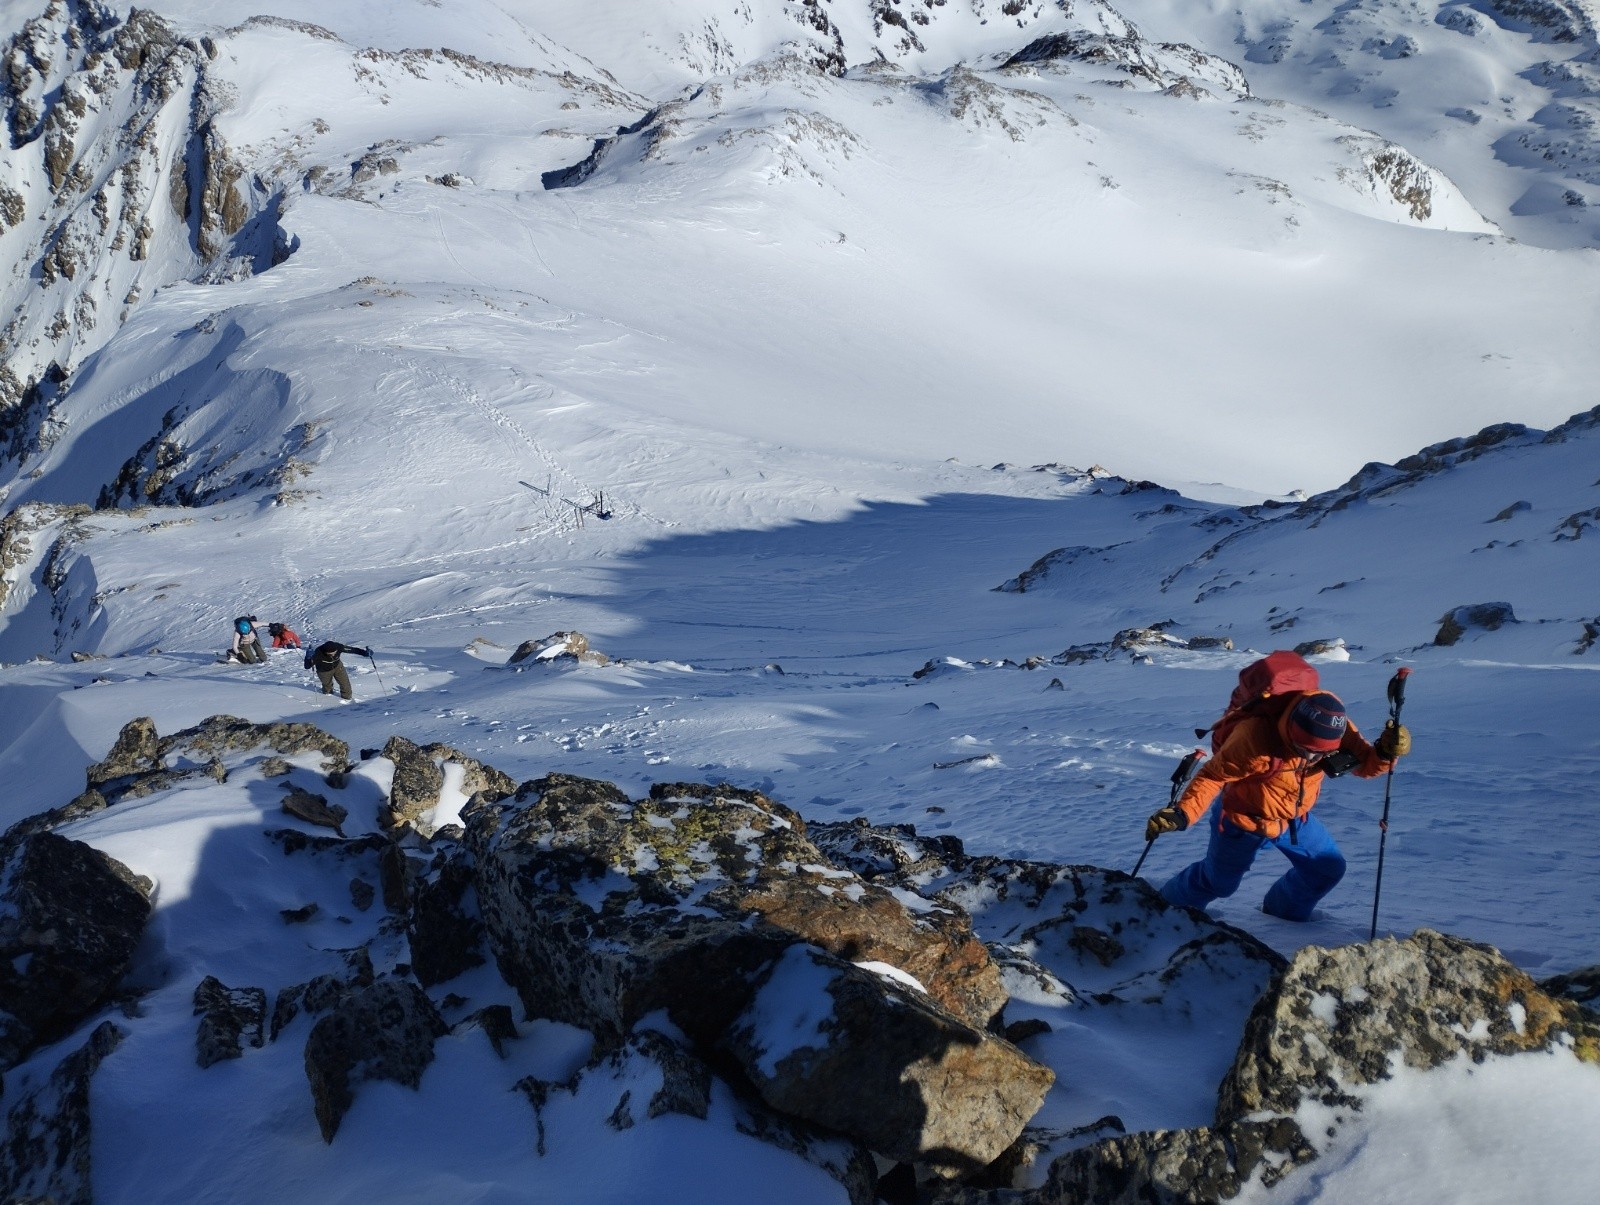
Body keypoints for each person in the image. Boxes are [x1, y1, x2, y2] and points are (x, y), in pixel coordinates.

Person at [1145, 691, 1411, 921]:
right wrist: (1183, 813)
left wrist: (1386, 753)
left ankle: (1282, 917)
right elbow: (1213, 776)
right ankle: (1165, 910)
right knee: (1218, 883)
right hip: (1242, 821)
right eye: (1305, 750)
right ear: (1291, 731)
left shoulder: (1334, 724)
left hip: (1294, 820)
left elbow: (1364, 765)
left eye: (1322, 753)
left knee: (1326, 869)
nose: (1313, 758)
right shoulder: (1255, 740)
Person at [304, 640, 371, 701]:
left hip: (338, 667)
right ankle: (328, 695)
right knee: (327, 687)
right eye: (330, 654)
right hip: (324, 671)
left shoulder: (338, 646)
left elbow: (352, 650)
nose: (333, 654)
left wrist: (364, 653)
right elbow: (307, 666)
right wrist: (308, 658)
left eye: (334, 652)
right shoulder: (318, 652)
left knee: (345, 684)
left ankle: (347, 698)